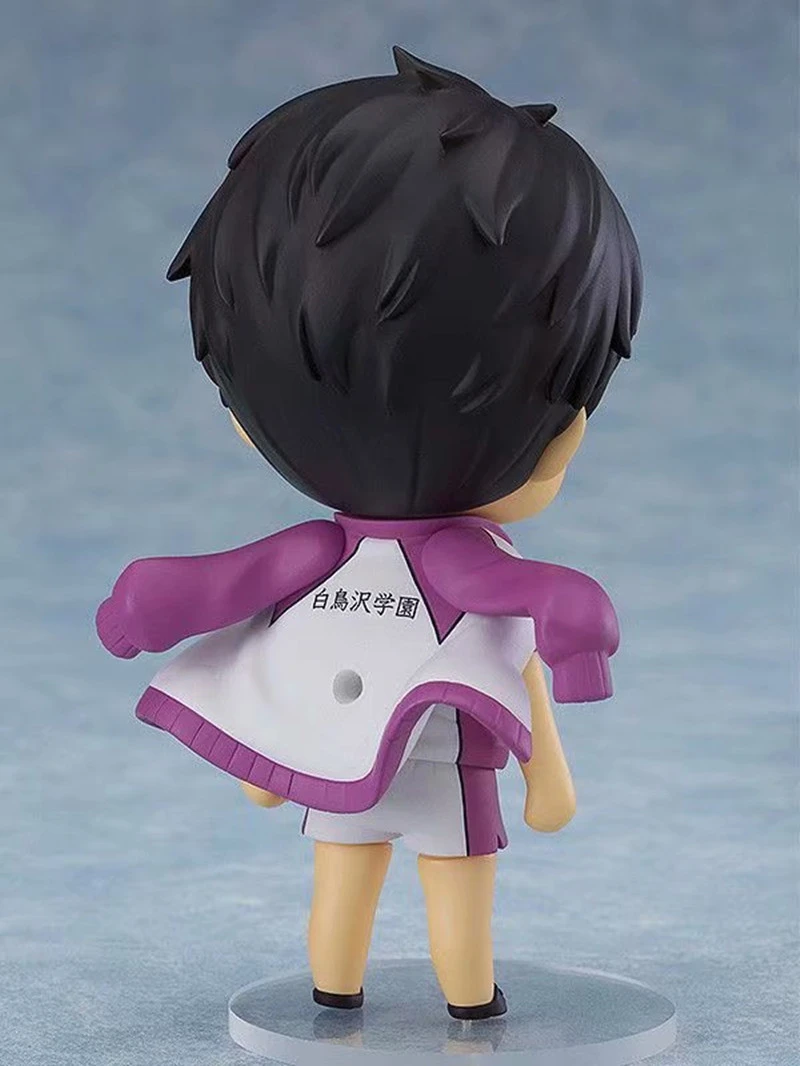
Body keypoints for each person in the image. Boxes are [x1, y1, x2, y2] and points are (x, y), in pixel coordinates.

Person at [96, 46, 642, 1020]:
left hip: (341, 762)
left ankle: (342, 990)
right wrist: (548, 775)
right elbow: (526, 651)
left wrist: (261, 743)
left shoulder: (320, 558)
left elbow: (224, 597)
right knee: (450, 894)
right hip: (441, 772)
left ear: (241, 411)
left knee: (342, 885)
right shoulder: (467, 569)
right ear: (562, 431)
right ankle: (463, 1004)